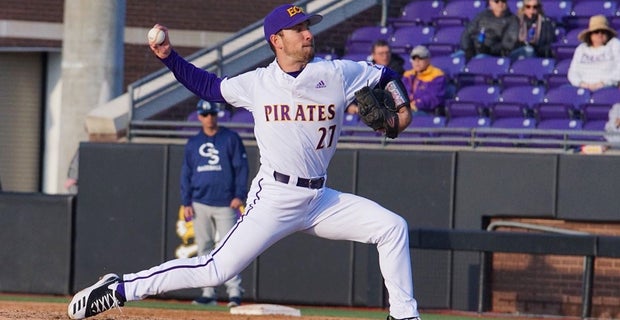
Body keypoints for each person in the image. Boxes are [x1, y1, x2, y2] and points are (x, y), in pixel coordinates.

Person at [68, 4, 419, 320]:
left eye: (308, 26)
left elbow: (385, 75)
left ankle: (404, 316)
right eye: (299, 29)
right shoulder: (258, 84)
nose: (308, 33)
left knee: (392, 228)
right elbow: (208, 87)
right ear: (277, 40)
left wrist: (401, 113)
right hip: (275, 197)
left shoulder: (338, 73)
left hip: (320, 199)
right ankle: (118, 289)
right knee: (214, 270)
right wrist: (169, 57)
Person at [181, 99, 248, 307]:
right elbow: (186, 173)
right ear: (200, 116)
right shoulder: (193, 143)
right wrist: (186, 201)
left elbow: (241, 168)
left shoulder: (230, 138)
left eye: (212, 114)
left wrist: (239, 194)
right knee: (204, 248)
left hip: (225, 202)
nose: (209, 118)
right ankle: (208, 292)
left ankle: (234, 292)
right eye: (206, 114)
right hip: (200, 201)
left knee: (229, 248)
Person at [346, 39, 405, 114]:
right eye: (381, 53)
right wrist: (350, 105)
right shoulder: (366, 71)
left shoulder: (397, 71)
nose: (385, 56)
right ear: (373, 55)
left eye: (387, 53)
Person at [567, 15, 620, 91]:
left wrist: (604, 83)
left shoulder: (615, 44)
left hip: (607, 88)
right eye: (596, 32)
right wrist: (581, 84)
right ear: (590, 35)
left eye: (603, 32)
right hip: (583, 87)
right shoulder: (581, 49)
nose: (600, 34)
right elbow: (573, 72)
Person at [401, 45, 446, 115]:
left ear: (428, 59)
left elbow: (435, 98)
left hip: (426, 111)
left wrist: (417, 104)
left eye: (421, 58)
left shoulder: (437, 75)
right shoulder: (408, 75)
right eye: (414, 58)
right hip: (407, 108)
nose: (417, 61)